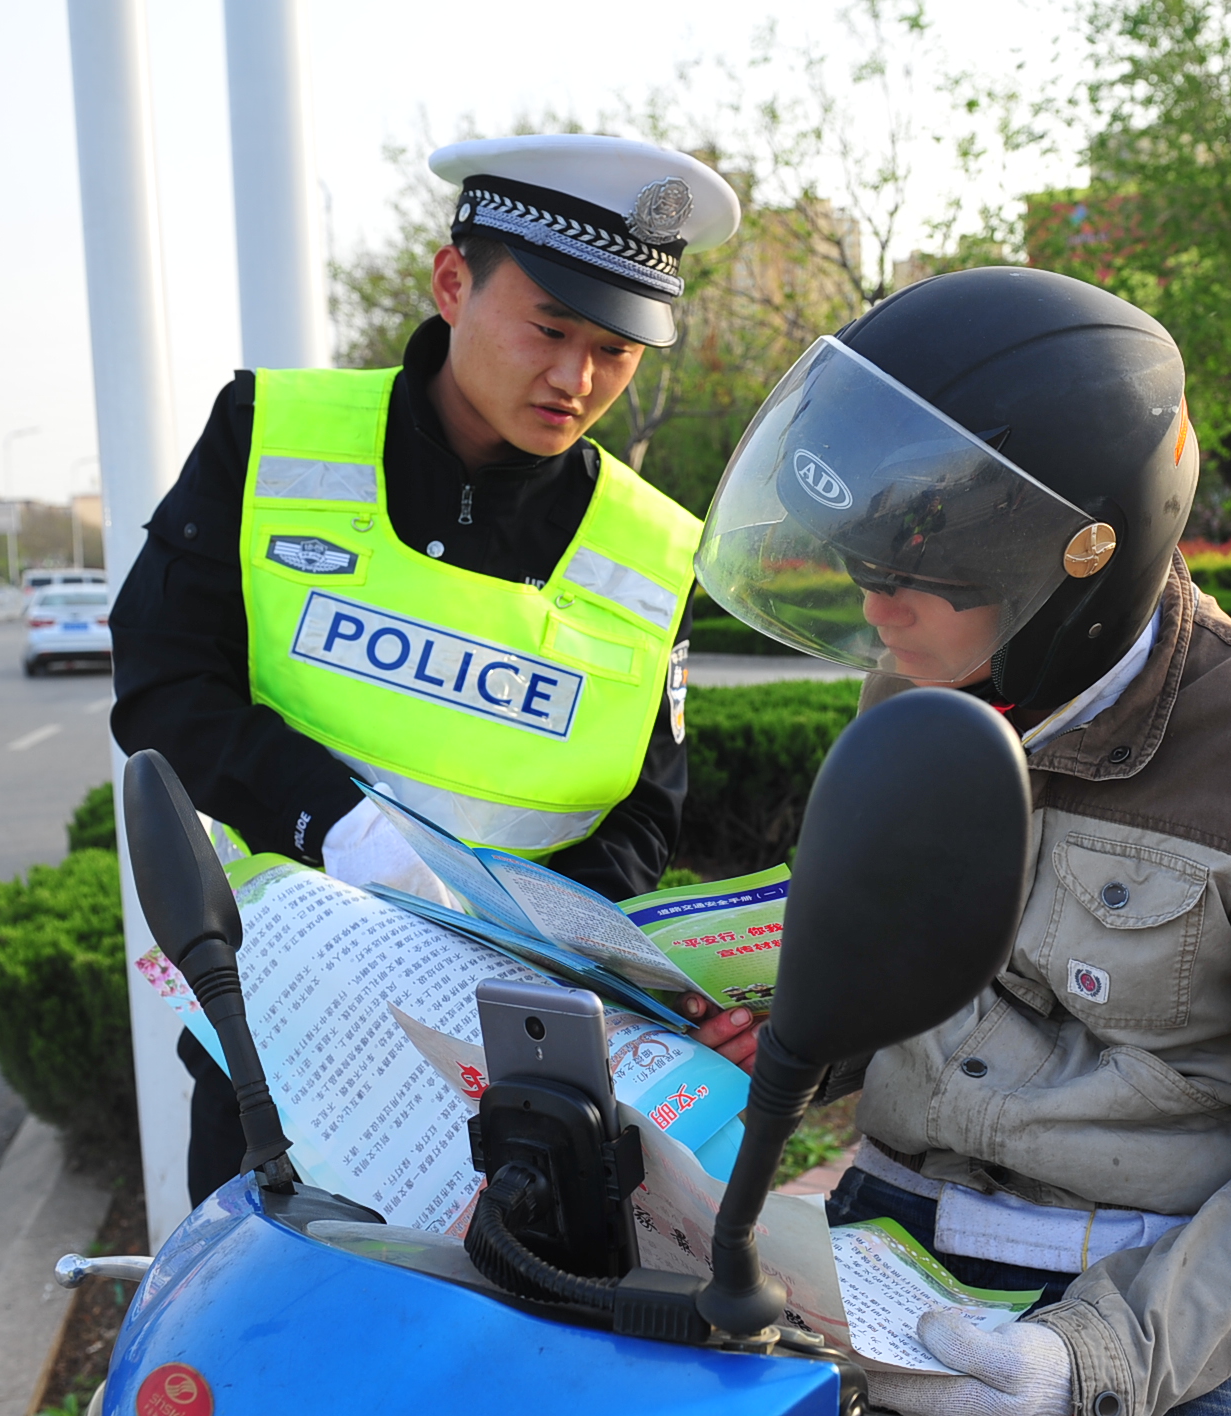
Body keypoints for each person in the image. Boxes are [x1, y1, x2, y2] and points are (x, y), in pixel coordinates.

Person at [694, 266, 1231, 1416]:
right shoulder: (916, 686)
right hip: (888, 1235)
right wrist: (790, 1035)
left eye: (919, 579)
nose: (877, 612)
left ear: (1080, 565)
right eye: (863, 566)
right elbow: (905, 977)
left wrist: (1089, 1361)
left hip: (1160, 1287)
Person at [109, 134, 760, 1204]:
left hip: (515, 1074)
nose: (576, 380)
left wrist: (581, 961)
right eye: (549, 329)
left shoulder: (657, 549)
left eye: (616, 350)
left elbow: (645, 813)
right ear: (453, 283)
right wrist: (335, 823)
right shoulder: (268, 434)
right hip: (281, 1035)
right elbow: (164, 685)